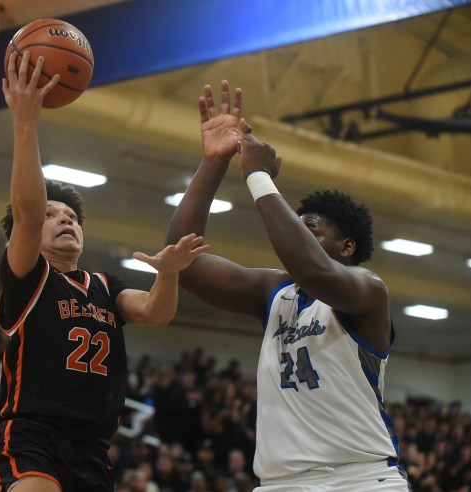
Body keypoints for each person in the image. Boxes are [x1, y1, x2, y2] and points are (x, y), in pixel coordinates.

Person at [165, 80, 411, 491]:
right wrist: (213, 163)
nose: (295, 234)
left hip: (361, 477)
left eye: (310, 229)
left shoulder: (368, 290)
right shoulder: (274, 290)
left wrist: (259, 177)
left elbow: (317, 272)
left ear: (347, 247)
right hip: (280, 482)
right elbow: (182, 262)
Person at [0, 51, 209, 492]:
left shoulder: (105, 286)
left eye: (71, 216)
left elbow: (155, 312)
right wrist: (25, 123)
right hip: (33, 436)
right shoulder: (29, 275)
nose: (65, 219)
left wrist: (168, 273)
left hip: (92, 446)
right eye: (53, 214)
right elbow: (27, 217)